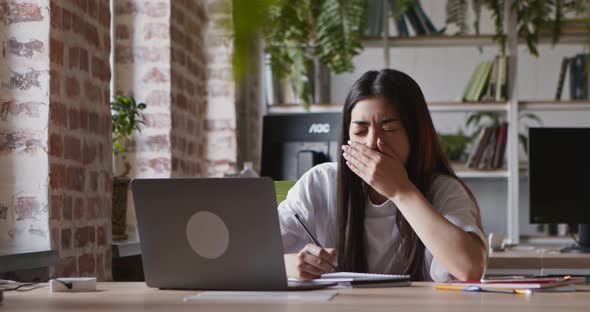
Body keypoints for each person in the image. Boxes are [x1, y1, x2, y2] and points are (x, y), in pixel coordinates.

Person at [278, 69, 487, 282]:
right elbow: (251, 256)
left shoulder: (442, 189)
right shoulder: (320, 183)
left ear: (414, 134)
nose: (371, 143)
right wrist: (291, 266)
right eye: (360, 131)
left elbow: (469, 268)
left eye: (388, 129)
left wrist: (401, 191)